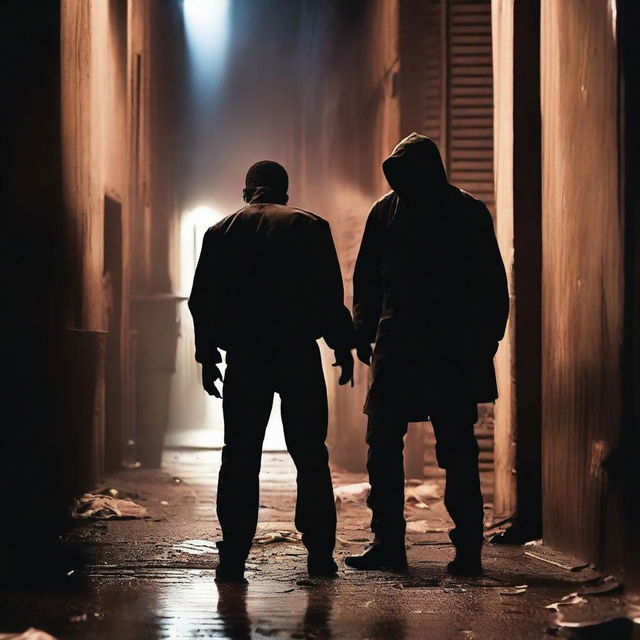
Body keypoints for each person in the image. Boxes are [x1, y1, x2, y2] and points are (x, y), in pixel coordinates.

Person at [345, 133, 509, 576]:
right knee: (384, 444)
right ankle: (389, 544)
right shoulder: (388, 211)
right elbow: (368, 280)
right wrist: (363, 330)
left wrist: (484, 341)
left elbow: (491, 285)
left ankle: (467, 551)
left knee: (455, 448)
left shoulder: (465, 212)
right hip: (403, 343)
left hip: (445, 347)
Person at [189, 160, 354, 583]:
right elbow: (328, 294)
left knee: (240, 456)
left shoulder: (220, 231)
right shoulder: (310, 227)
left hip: (246, 358)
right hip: (298, 354)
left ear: (247, 192)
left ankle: (233, 556)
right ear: (284, 191)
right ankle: (319, 554)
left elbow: (202, 301)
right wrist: (342, 346)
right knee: (311, 455)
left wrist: (208, 355)